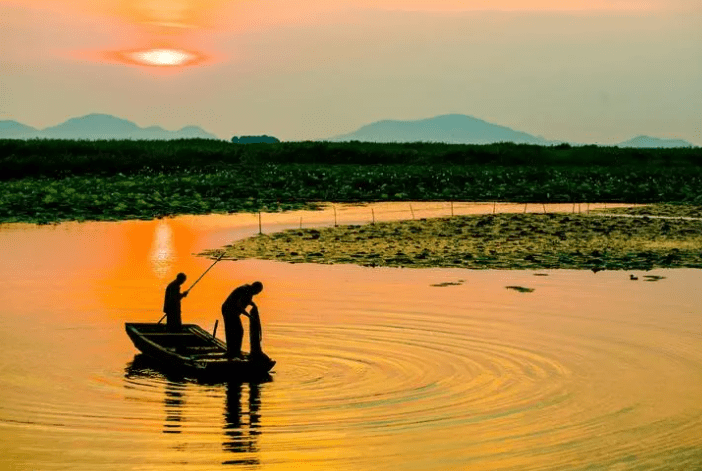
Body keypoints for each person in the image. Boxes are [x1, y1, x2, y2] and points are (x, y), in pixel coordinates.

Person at [221, 281, 263, 358]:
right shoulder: (246, 290)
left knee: (235, 331)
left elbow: (246, 300)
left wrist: (252, 304)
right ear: (255, 288)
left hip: (232, 311)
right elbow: (239, 305)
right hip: (228, 310)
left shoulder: (248, 291)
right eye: (258, 291)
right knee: (237, 331)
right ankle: (233, 352)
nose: (257, 293)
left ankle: (234, 351)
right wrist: (249, 316)